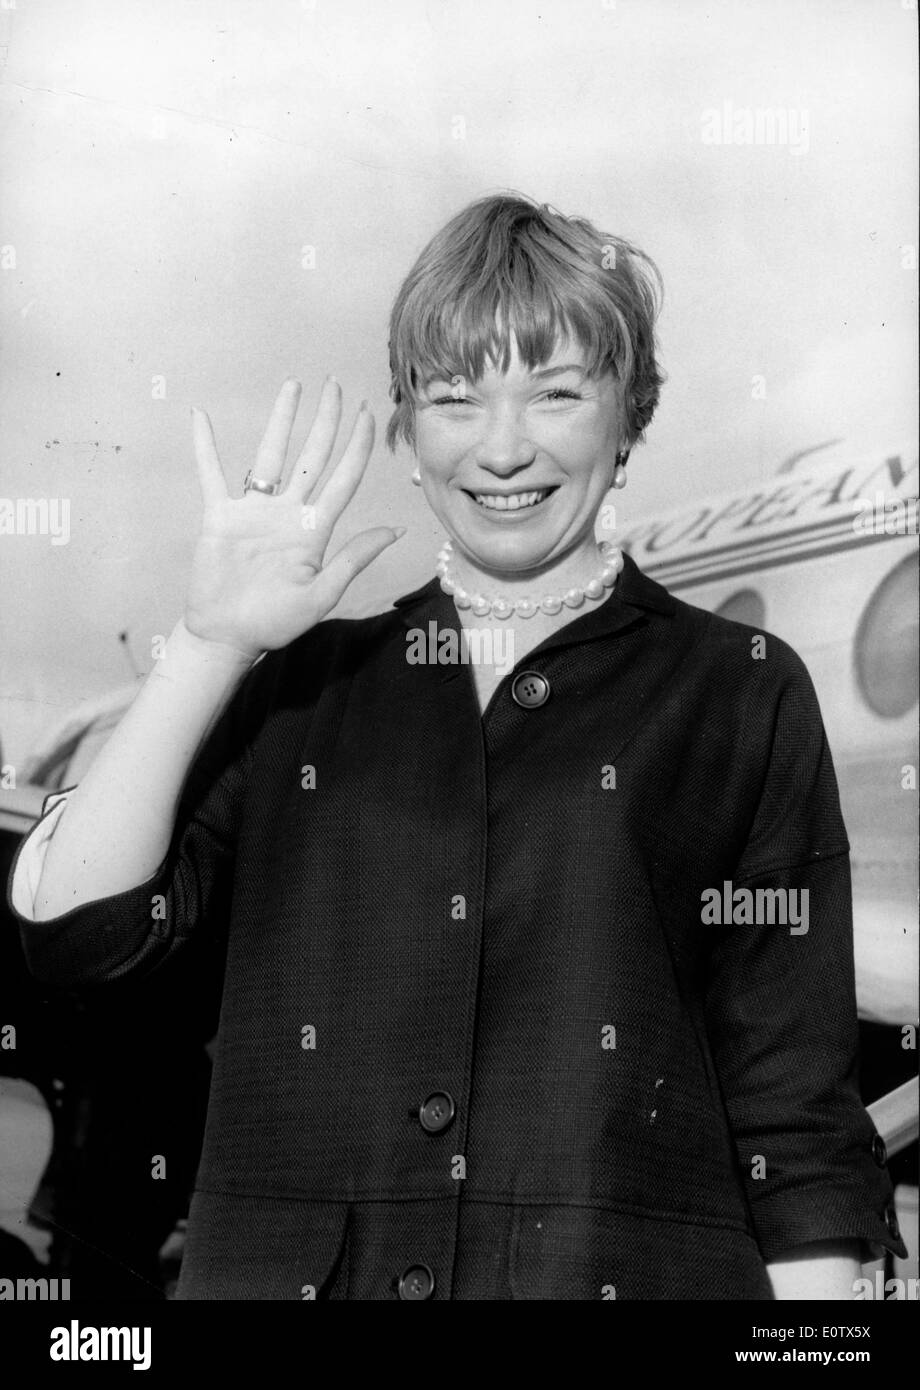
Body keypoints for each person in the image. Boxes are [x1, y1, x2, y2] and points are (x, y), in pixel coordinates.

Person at [7, 193, 905, 1300]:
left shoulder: (741, 691)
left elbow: (792, 1110)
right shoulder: (296, 685)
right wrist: (206, 642)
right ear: (407, 428)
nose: (502, 447)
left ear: (630, 415)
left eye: (557, 391)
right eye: (453, 396)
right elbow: (81, 935)